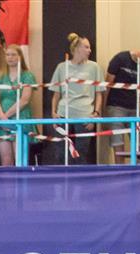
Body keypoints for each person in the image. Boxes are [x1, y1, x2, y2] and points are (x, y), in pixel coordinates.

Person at [49, 34, 104, 165]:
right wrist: (54, 113)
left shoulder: (95, 67)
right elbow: (56, 94)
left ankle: (80, 178)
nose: (90, 50)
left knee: (82, 153)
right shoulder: (62, 67)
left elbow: (99, 94)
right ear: (77, 48)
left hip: (85, 115)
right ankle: (63, 177)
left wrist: (96, 114)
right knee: (61, 153)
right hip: (64, 114)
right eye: (86, 47)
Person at [103, 48, 140, 163]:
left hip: (134, 108)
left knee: (139, 143)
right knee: (117, 142)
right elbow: (107, 85)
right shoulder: (120, 59)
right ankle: (120, 170)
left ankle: (138, 170)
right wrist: (103, 112)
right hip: (116, 106)